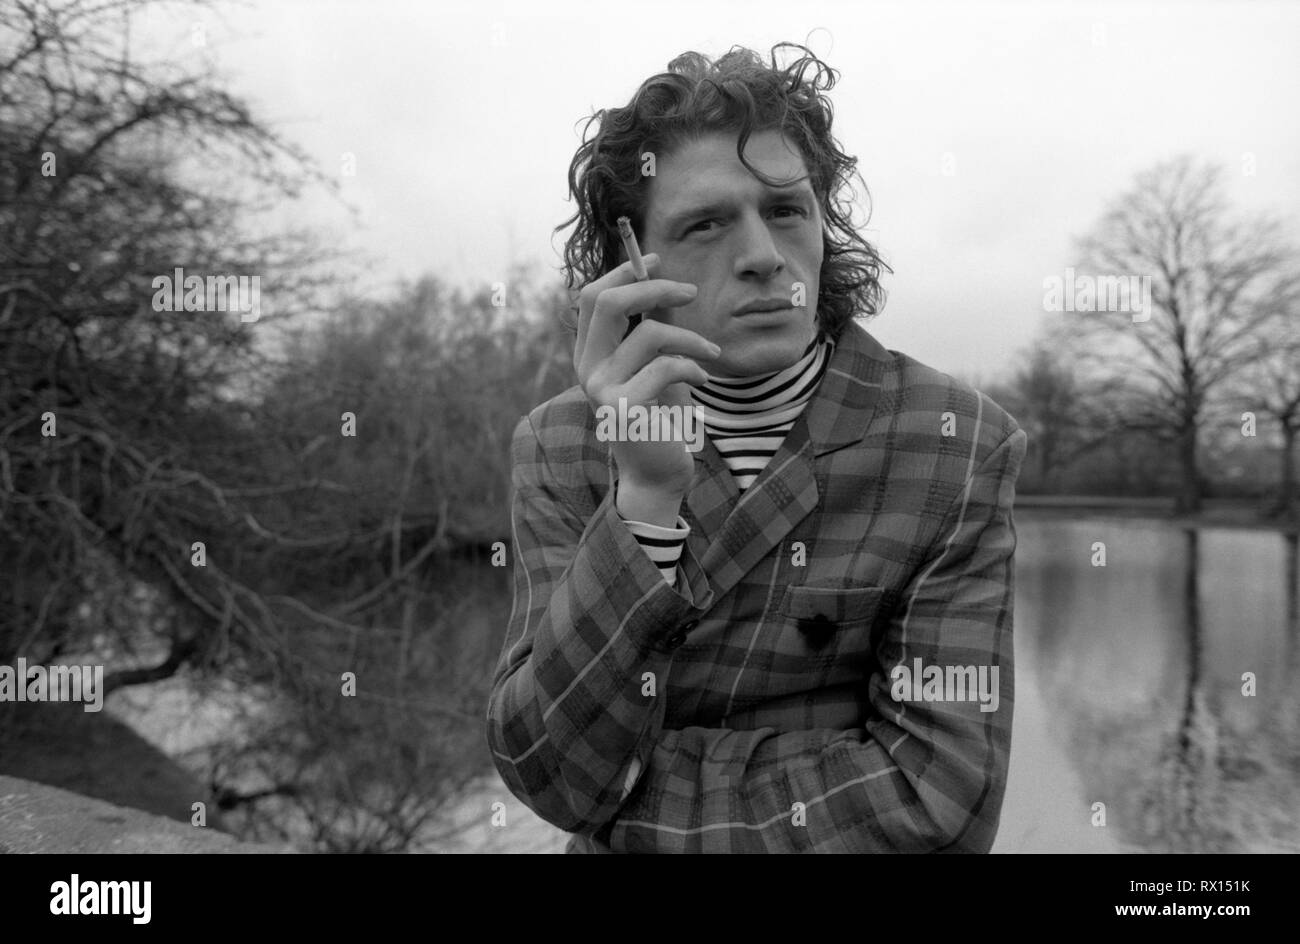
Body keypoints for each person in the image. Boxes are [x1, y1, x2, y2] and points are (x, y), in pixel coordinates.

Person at [485, 43, 1027, 853]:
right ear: (635, 261)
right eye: (707, 223)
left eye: (786, 210)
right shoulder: (564, 445)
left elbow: (933, 805)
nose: (766, 256)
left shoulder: (955, 445)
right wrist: (644, 503)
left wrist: (625, 803)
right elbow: (550, 770)